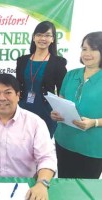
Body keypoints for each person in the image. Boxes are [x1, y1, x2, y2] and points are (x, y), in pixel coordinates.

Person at [51, 32, 102, 179]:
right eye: (84, 49)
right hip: (64, 141)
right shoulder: (71, 74)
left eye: (94, 49)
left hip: (92, 147)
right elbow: (61, 101)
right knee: (64, 185)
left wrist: (95, 122)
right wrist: (55, 113)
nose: (87, 54)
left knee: (84, 191)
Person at [16, 21, 67, 137]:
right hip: (23, 110)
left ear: (53, 39)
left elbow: (62, 91)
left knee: (41, 149)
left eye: (47, 35)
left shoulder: (58, 63)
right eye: (39, 35)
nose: (43, 38)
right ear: (34, 37)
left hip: (46, 112)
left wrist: (61, 112)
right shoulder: (22, 61)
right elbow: (17, 87)